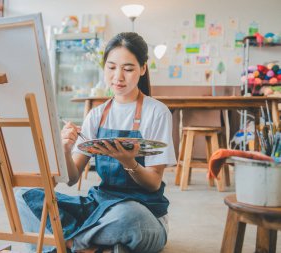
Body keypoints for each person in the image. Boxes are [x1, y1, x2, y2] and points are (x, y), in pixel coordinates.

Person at [15, 32, 176, 253]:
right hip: (99, 207)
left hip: (143, 212)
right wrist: (65, 148)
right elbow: (72, 179)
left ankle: (69, 245)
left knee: (130, 216)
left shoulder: (157, 112)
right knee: (25, 195)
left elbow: (154, 183)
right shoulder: (96, 115)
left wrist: (130, 163)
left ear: (143, 69)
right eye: (111, 67)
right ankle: (101, 245)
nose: (118, 76)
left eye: (128, 69)